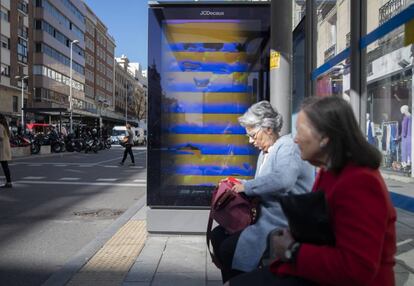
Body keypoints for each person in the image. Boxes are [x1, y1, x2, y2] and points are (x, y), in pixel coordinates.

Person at [227, 96, 396, 286]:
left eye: (300, 130)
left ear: (324, 138)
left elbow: (357, 268)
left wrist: (293, 250)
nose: (296, 139)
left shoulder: (361, 183)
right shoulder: (329, 172)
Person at [210, 101, 314, 283]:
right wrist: (238, 182)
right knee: (217, 235)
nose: (251, 141)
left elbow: (283, 179)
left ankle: (239, 282)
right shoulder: (266, 153)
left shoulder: (287, 147)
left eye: (252, 135)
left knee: (228, 248)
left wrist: (247, 187)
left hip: (280, 221)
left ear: (267, 129)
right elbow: (263, 182)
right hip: (264, 217)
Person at [0, 114, 12, 188]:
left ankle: (9, 182)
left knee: (5, 166)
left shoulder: (0, 126)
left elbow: (0, 137)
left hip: (1, 149)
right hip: (4, 149)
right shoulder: (5, 126)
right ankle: (9, 182)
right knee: (5, 166)